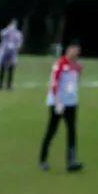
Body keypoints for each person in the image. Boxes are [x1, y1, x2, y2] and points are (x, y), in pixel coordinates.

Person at [39, 43, 84, 172]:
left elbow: (75, 83)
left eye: (78, 52)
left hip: (71, 103)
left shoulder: (76, 66)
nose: (76, 54)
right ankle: (43, 160)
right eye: (75, 51)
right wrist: (57, 101)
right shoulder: (59, 64)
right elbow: (54, 83)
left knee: (72, 131)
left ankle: (71, 161)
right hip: (58, 103)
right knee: (51, 130)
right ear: (69, 50)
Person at [0, 19, 23, 91]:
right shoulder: (6, 31)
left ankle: (9, 86)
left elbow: (19, 43)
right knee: (2, 68)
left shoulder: (18, 34)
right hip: (4, 51)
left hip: (12, 52)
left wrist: (16, 47)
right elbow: (2, 34)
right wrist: (8, 30)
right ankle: (0, 85)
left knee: (11, 68)